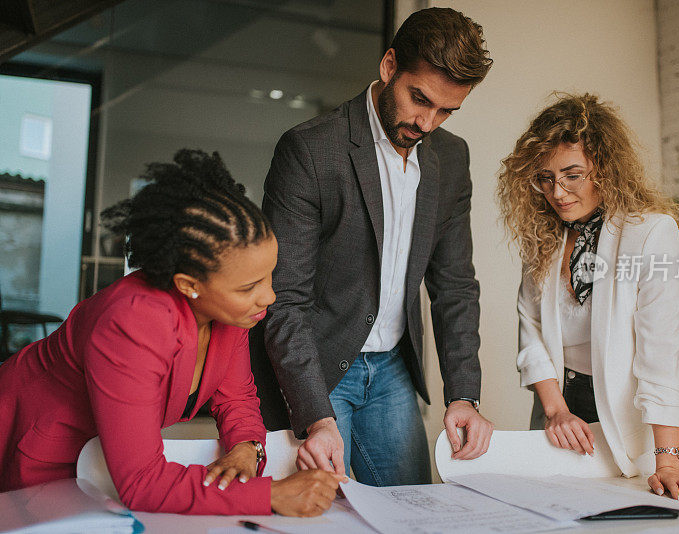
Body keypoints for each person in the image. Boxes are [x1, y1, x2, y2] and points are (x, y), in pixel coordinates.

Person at [0, 149, 345, 515]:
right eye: (249, 287)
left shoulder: (230, 311)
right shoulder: (130, 324)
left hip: (99, 460)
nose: (269, 296)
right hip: (41, 450)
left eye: (269, 275)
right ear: (188, 285)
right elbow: (141, 483)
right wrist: (272, 495)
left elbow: (237, 399)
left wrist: (247, 449)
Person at [250, 7, 494, 486]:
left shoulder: (451, 157)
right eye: (418, 98)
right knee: (321, 512)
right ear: (389, 67)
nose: (427, 122)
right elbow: (285, 298)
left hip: (393, 370)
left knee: (414, 513)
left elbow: (455, 287)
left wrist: (464, 394)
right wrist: (317, 417)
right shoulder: (311, 150)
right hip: (317, 369)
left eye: (446, 110)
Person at [497, 94, 679, 501]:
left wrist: (667, 461)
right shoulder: (543, 239)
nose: (557, 192)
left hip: (629, 419)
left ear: (604, 168)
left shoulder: (651, 233)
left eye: (572, 175)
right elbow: (532, 332)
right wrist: (556, 410)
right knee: (551, 516)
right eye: (544, 178)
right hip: (557, 405)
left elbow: (660, 353)